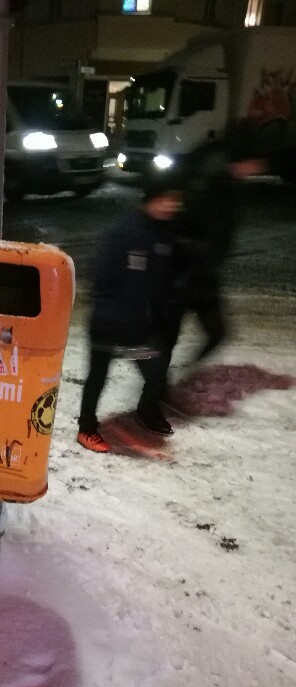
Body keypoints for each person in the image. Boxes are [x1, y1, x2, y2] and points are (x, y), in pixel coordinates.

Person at [77, 170, 185, 453]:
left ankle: (147, 412)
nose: (172, 205)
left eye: (175, 200)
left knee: (157, 373)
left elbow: (160, 283)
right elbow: (100, 279)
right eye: (167, 199)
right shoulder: (122, 233)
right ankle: (86, 429)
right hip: (108, 325)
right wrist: (116, 315)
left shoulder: (163, 235)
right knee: (98, 375)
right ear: (152, 199)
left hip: (137, 333)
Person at [171, 125, 266, 368]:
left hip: (205, 274)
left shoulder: (229, 181)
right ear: (243, 160)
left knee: (217, 333)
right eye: (256, 162)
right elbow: (185, 223)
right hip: (187, 274)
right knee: (168, 336)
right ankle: (157, 386)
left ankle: (181, 374)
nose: (259, 168)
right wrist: (196, 256)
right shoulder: (209, 182)